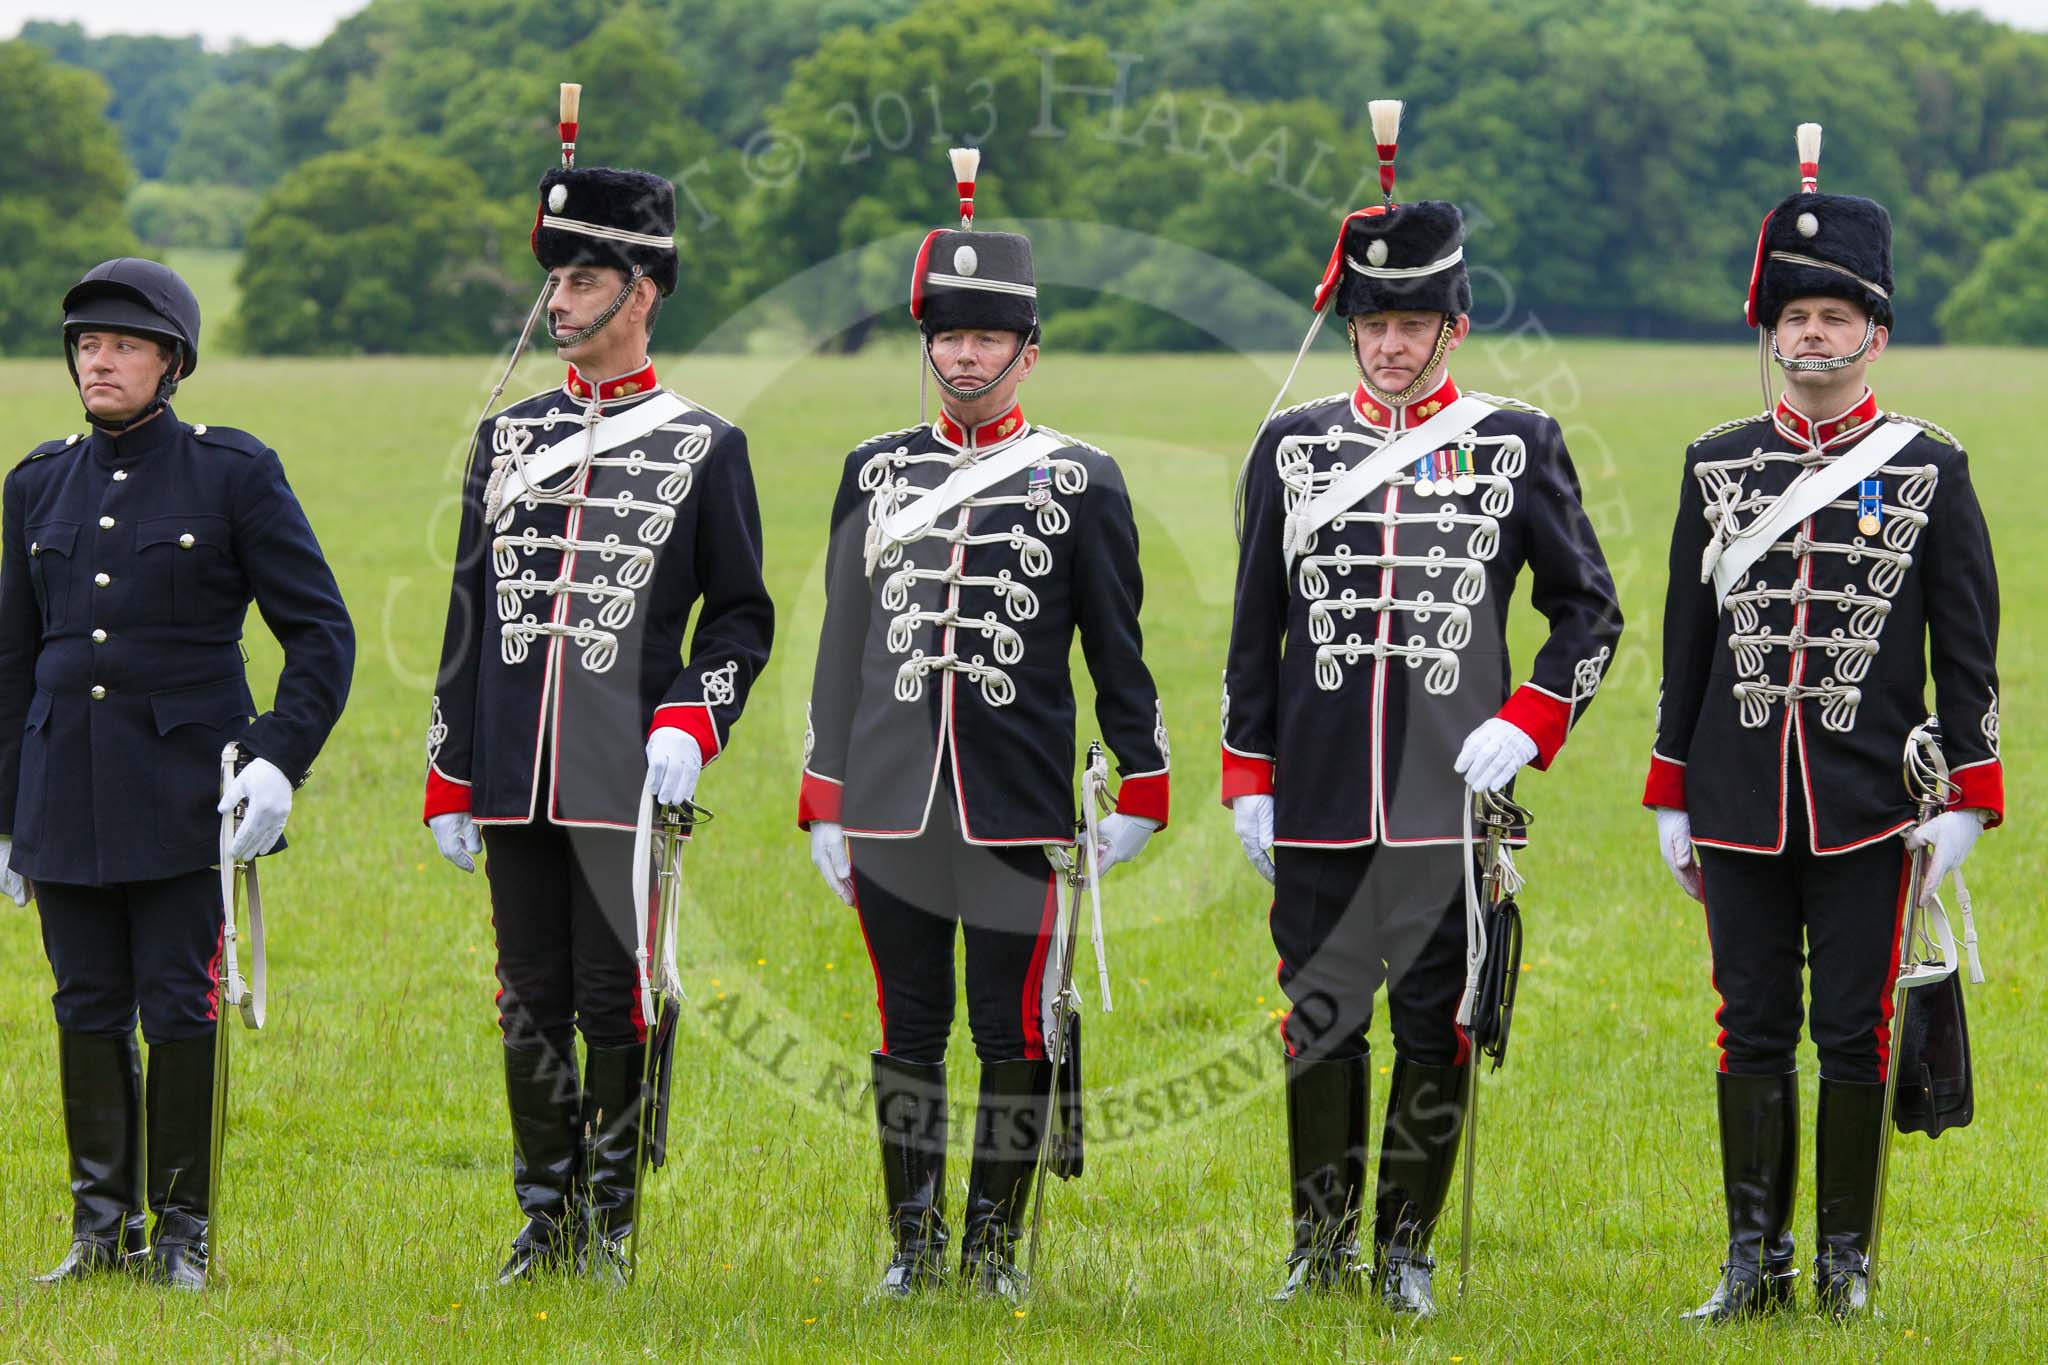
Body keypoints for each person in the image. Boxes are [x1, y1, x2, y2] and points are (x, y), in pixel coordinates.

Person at [1221, 102, 1623, 1312]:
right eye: (1373, 323)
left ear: (1452, 326)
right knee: (1318, 1022)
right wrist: (1249, 776)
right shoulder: (1289, 445)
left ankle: (1403, 1252)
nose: (1390, 346)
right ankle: (1316, 1245)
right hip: (1322, 790)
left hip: (1451, 793)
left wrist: (1533, 721)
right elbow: (1253, 632)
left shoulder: (1515, 439)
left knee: (1436, 1023)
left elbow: (1588, 611)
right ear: (1351, 326)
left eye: (1411, 324)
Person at [797, 149, 1170, 1301]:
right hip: (892, 796)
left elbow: (1117, 646)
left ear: (1026, 351)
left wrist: (1143, 783)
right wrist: (824, 794)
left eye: (985, 339)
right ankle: (912, 1252)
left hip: (1014, 798)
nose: (962, 357)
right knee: (903, 1027)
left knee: (1013, 1032)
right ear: (929, 345)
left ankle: (992, 1254)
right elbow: (840, 646)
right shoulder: (873, 472)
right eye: (946, 338)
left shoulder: (1080, 479)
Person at [1643, 123, 2001, 1323]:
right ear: (1769, 330)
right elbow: (1682, 649)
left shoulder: (1927, 468)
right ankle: (1753, 1268)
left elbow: (1966, 646)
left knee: (1851, 1034)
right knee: (1749, 1031)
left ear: (1874, 335)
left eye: (1833, 316)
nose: (1810, 334)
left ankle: (1845, 1270)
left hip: (1865, 805)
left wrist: (1967, 794)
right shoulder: (1713, 465)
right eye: (1791, 315)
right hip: (1739, 796)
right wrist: (1668, 795)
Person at [423, 162, 773, 1284]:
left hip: (625, 767)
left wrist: (693, 719)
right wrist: (449, 773)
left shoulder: (704, 445)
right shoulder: (508, 439)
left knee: (611, 992)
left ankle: (611, 1227)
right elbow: (467, 615)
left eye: (582, 280)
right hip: (514, 765)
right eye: (555, 281)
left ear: (643, 292)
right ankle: (546, 1220)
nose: (557, 304)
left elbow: (742, 620)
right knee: (524, 990)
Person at [0, 258, 354, 1288]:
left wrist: (280, 757)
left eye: (122, 346)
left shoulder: (232, 472)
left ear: (172, 362)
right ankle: (100, 1233)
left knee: (178, 1008)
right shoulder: (36, 481)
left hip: (183, 792)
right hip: (64, 787)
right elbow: (12, 660)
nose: (98, 362)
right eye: (85, 346)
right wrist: (6, 814)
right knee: (84, 1006)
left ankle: (184, 1238)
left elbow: (320, 634)